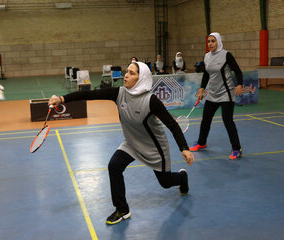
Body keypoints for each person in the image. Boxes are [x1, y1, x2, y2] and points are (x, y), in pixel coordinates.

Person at [48, 62, 194, 225]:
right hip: (131, 143)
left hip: (154, 149)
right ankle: (122, 209)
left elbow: (172, 125)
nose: (126, 75)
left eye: (132, 73)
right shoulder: (119, 93)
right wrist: (62, 99)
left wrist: (184, 148)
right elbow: (90, 95)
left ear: (141, 78)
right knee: (114, 166)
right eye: (127, 72)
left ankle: (182, 178)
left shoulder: (151, 101)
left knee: (165, 183)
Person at [189, 32, 243, 160]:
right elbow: (206, 75)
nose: (210, 43)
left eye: (213, 41)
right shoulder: (207, 57)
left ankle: (237, 149)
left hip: (226, 94)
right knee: (205, 119)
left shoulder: (226, 55)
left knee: (227, 120)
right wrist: (202, 89)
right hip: (212, 94)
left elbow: (238, 70)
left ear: (218, 41)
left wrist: (240, 84)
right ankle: (201, 143)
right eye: (208, 41)